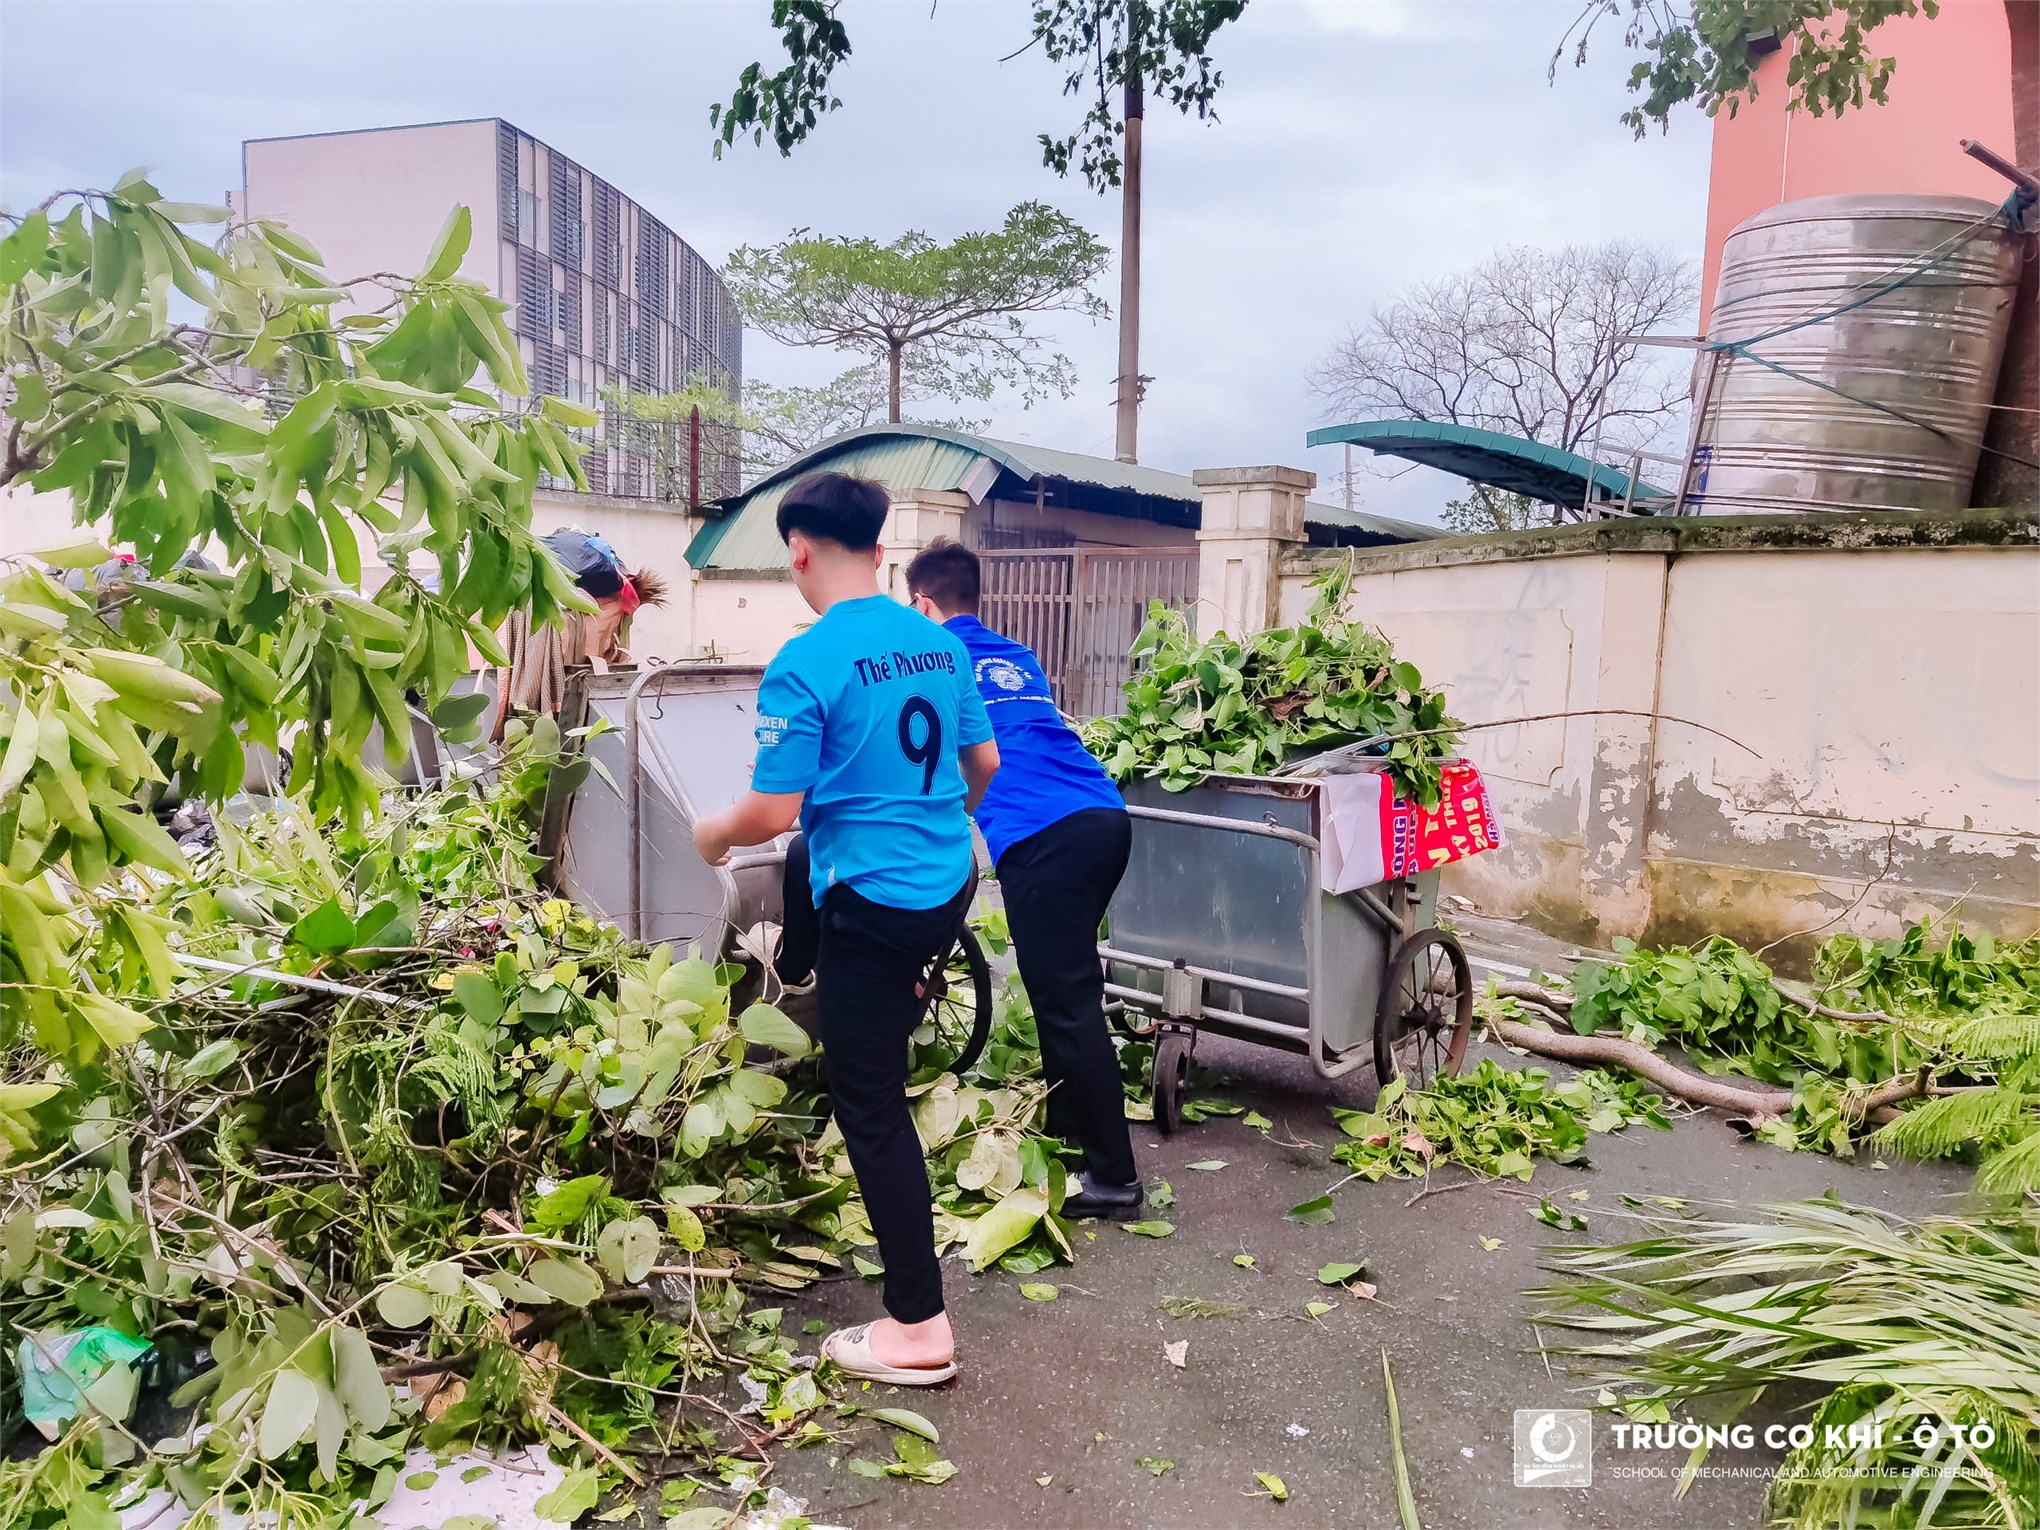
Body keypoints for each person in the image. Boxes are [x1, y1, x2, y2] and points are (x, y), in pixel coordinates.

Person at [692, 475, 999, 1387]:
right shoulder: (936, 644)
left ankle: (917, 1327)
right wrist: (934, 821)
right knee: (873, 1028)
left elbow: (768, 811)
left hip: (874, 901)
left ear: (797, 551)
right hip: (946, 884)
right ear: (879, 546)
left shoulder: (808, 659)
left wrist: (705, 834)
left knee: (869, 1103)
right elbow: (980, 764)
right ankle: (858, 1003)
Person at [903, 539, 1143, 1220]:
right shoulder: (1018, 655)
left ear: (923, 604)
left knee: (1068, 1001)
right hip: (1103, 819)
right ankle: (1070, 1120)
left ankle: (1116, 1179)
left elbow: (937, 760)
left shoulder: (931, 661)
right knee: (1058, 983)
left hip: (1047, 838)